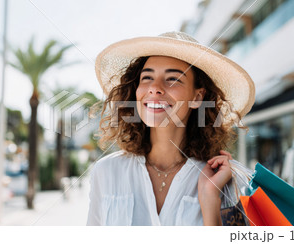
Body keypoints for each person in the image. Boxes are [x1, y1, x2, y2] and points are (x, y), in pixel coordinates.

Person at [87, 32, 255, 226]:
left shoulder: (225, 180)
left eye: (173, 79)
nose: (154, 88)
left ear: (197, 98)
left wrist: (210, 200)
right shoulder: (106, 172)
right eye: (147, 77)